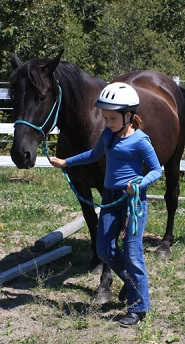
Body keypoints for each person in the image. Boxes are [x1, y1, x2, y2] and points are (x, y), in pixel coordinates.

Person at [50, 82, 162, 327]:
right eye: (105, 117)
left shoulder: (141, 140)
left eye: (112, 118)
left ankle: (138, 308)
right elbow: (93, 155)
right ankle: (131, 283)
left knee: (132, 253)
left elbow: (156, 170)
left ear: (128, 116)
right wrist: (66, 162)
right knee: (103, 249)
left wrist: (140, 183)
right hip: (110, 198)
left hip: (132, 201)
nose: (107, 122)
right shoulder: (108, 135)